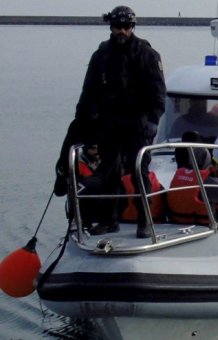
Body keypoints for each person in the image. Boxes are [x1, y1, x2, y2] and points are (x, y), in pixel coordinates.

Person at [56, 6, 166, 238]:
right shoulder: (101, 55)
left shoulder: (146, 53)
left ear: (133, 28)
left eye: (127, 27)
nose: (122, 31)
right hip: (110, 121)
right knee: (109, 172)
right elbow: (88, 92)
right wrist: (81, 121)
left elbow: (158, 91)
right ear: (111, 27)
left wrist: (154, 120)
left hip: (138, 122)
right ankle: (109, 220)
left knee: (139, 171)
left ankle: (144, 220)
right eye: (118, 27)